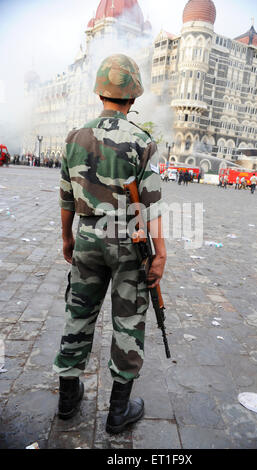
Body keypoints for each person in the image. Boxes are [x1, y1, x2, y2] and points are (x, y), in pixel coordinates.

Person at [53, 54, 166, 434]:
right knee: (128, 320)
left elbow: (67, 198)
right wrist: (160, 254)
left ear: (100, 90)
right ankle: (118, 412)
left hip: (85, 235)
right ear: (133, 96)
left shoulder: (74, 137)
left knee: (79, 314)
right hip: (128, 240)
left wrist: (68, 238)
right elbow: (150, 205)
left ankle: (67, 400)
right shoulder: (141, 141)